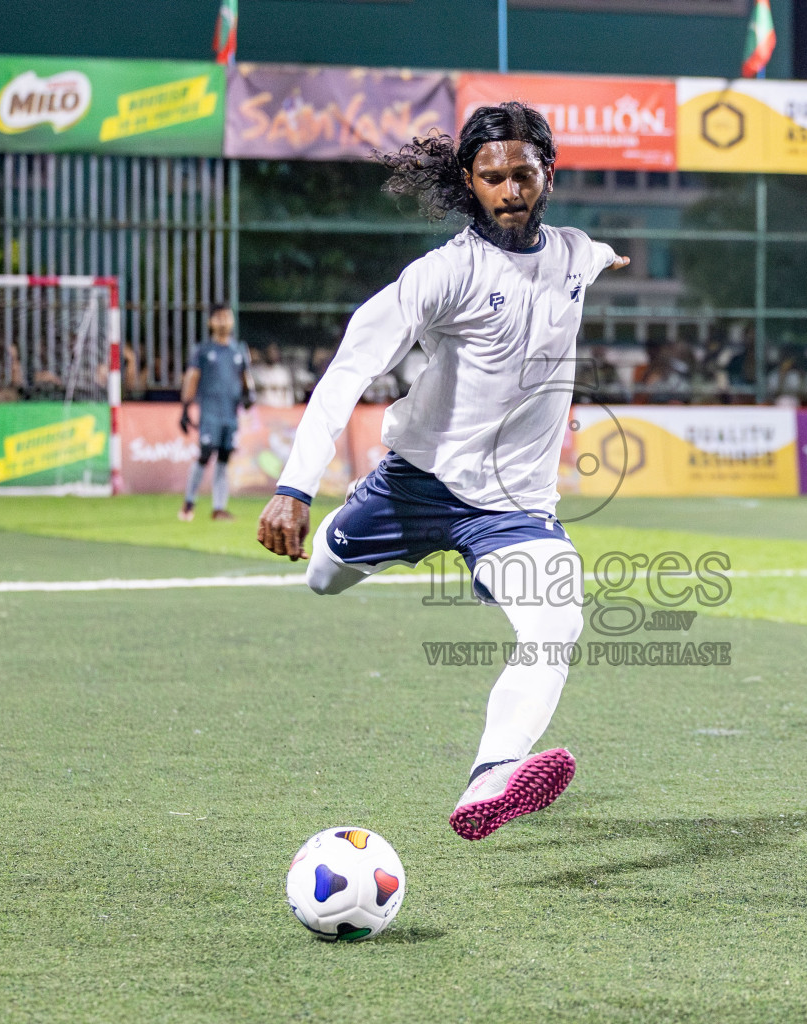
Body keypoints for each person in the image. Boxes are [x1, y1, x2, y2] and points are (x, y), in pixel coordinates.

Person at [255, 103, 629, 841]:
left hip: (515, 508)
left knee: (556, 624)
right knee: (322, 576)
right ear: (470, 181)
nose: (511, 189)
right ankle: (342, 531)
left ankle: (490, 775)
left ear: (547, 174)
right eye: (494, 177)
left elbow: (596, 255)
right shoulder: (443, 274)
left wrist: (612, 258)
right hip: (415, 486)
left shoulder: (576, 252)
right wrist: (294, 488)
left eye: (525, 173)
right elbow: (348, 370)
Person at [179, 304, 253, 522]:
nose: (224, 321)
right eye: (218, 318)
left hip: (230, 413)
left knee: (224, 457)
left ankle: (219, 507)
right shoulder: (203, 350)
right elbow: (192, 378)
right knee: (205, 453)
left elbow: (245, 378)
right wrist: (185, 409)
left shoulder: (238, 350)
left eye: (227, 317)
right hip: (210, 412)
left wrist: (249, 395)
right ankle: (189, 501)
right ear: (211, 322)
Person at [252, 343, 297, 407]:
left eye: (275, 351)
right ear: (265, 353)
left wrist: (288, 407)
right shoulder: (256, 372)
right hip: (262, 409)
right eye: (270, 352)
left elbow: (288, 393)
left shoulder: (283, 372)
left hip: (280, 409)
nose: (272, 354)